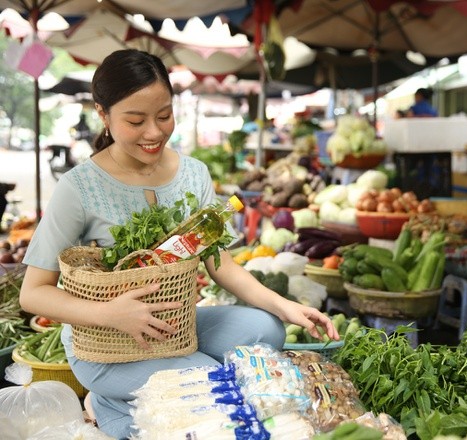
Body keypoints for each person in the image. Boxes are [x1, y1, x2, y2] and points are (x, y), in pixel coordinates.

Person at [19, 49, 339, 439]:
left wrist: (286, 306)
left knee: (266, 330)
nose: (154, 132)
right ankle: (111, 403)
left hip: (174, 326)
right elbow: (33, 295)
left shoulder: (193, 173)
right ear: (103, 114)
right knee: (211, 386)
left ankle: (133, 394)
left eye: (164, 115)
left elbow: (218, 262)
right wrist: (112, 315)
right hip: (105, 345)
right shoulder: (79, 187)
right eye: (135, 120)